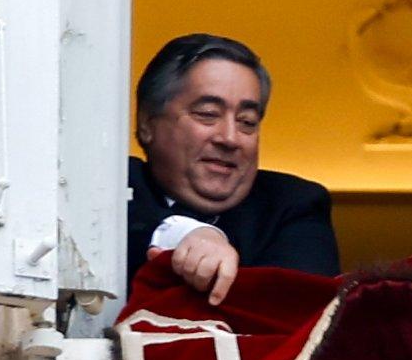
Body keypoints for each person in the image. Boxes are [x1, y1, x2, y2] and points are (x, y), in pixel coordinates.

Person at [127, 33, 340, 300]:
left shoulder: (293, 205)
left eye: (247, 122)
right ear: (147, 123)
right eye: (207, 115)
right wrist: (184, 234)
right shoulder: (111, 187)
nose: (229, 138)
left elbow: (294, 310)